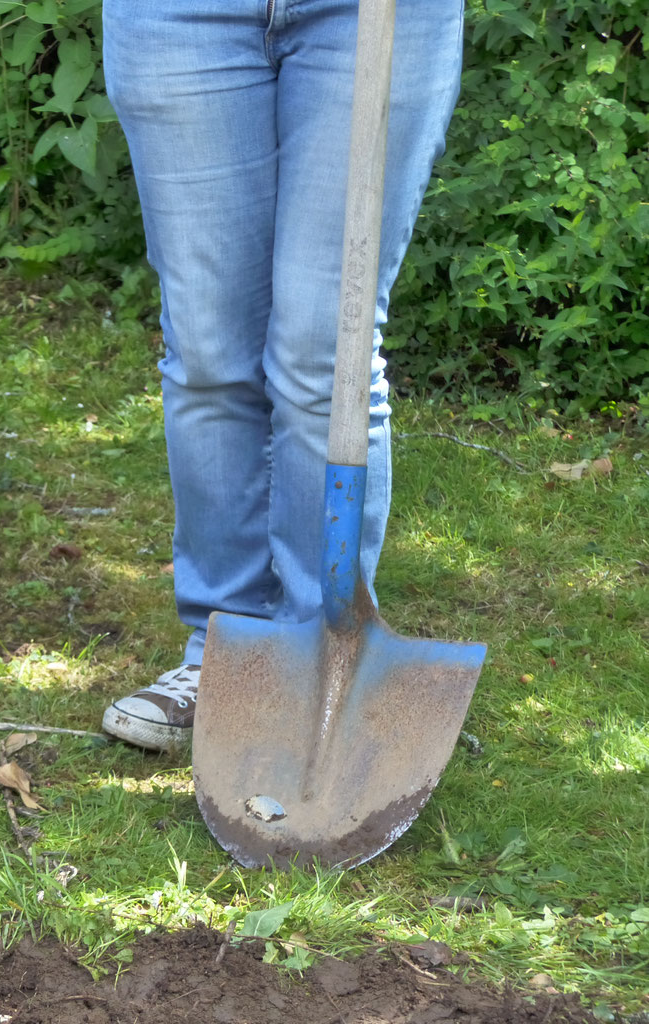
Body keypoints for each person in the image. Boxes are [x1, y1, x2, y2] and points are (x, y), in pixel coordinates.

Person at [98, 1, 464, 751]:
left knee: (324, 352)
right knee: (205, 353)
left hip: (372, 13)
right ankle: (222, 655)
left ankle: (320, 652)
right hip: (177, 16)